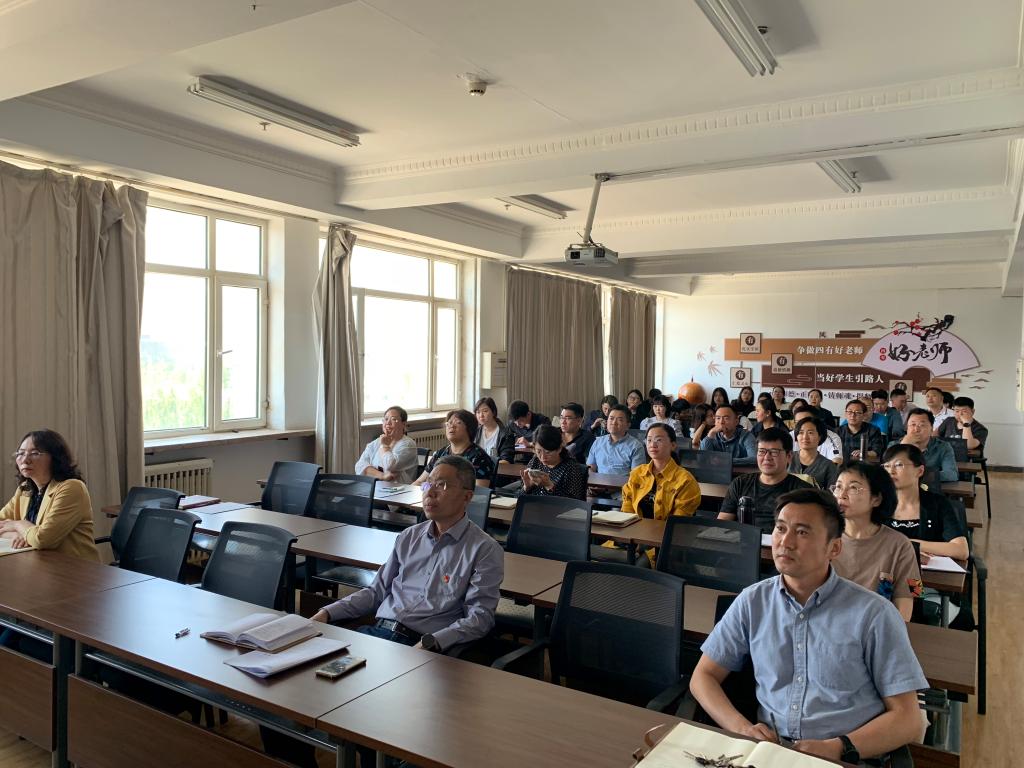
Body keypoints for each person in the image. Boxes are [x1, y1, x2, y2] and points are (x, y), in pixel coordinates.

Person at [691, 488, 928, 763]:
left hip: (845, 756)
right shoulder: (753, 601)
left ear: (834, 548)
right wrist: (742, 729)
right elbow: (703, 676)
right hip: (770, 753)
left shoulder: (875, 612)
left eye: (802, 532)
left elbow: (908, 719)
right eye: (781, 528)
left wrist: (839, 747)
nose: (786, 542)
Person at [831, 462, 922, 622]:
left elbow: (911, 596)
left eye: (853, 488)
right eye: (838, 487)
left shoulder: (902, 545)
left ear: (876, 499)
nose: (842, 495)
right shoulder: (823, 537)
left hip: (878, 629)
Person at [1, 429, 99, 561]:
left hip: (74, 567)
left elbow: (42, 539)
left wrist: (18, 525)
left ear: (55, 458)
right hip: (39, 563)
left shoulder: (72, 488)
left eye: (34, 453)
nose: (25, 460)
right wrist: (17, 535)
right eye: (21, 453)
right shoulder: (25, 489)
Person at [620, 424, 701, 562]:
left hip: (664, 543)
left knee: (637, 568)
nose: (653, 444)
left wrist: (642, 543)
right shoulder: (637, 473)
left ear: (673, 445)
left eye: (659, 440)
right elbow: (627, 509)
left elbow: (677, 524)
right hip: (633, 538)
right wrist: (630, 538)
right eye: (649, 440)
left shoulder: (686, 480)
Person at [882, 444, 969, 561]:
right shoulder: (878, 504)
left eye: (898, 465)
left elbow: (961, 550)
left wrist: (910, 544)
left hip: (929, 570)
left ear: (920, 471)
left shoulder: (938, 504)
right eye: (886, 466)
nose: (891, 471)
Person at [718, 428, 811, 534]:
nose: (767, 457)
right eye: (762, 451)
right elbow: (722, 524)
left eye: (774, 452)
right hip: (744, 541)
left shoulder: (803, 491)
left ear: (789, 456)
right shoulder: (740, 483)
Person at [415, 409, 494, 487]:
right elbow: (420, 481)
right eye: (449, 423)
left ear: (469, 428)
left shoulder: (479, 457)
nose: (451, 426)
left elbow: (480, 491)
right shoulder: (440, 453)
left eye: (458, 423)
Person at [521, 424, 588, 500]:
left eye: (548, 452)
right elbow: (519, 498)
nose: (543, 457)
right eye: (538, 451)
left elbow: (573, 502)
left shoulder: (571, 467)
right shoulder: (535, 461)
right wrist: (526, 487)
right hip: (534, 505)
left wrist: (549, 486)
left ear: (559, 449)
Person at [354, 406, 419, 483]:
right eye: (386, 419)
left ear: (403, 424)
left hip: (400, 488)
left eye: (393, 419)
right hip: (376, 486)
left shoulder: (408, 444)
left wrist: (384, 446)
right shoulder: (376, 442)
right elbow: (359, 466)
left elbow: (390, 465)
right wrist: (382, 476)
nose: (388, 423)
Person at [898, 408, 957, 483]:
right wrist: (902, 447)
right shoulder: (894, 445)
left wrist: (917, 475)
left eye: (922, 425)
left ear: (931, 428)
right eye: (913, 424)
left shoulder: (943, 447)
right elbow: (888, 473)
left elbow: (952, 474)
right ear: (907, 428)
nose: (916, 429)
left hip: (930, 488)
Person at [586, 404, 646, 475]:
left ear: (628, 425)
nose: (614, 423)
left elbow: (637, 476)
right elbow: (590, 467)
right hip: (599, 481)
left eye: (620, 420)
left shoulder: (636, 446)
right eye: (611, 419)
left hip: (624, 482)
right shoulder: (598, 442)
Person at [789, 417, 840, 491]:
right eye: (801, 433)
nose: (805, 437)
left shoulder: (828, 466)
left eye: (810, 433)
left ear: (820, 437)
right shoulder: (786, 458)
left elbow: (831, 493)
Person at [473, 397, 516, 465]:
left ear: (493, 412)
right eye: (478, 412)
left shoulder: (506, 434)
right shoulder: (474, 432)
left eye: (485, 411)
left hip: (497, 470)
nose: (481, 415)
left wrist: (484, 465)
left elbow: (506, 461)